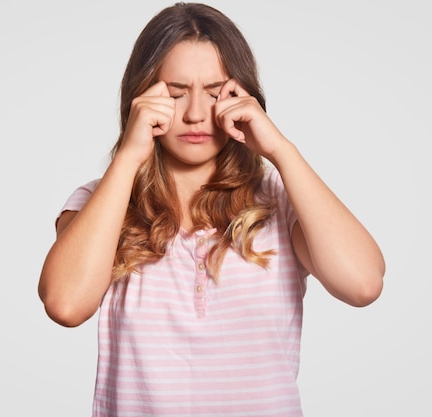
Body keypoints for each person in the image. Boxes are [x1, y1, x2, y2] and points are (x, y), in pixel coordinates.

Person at [38, 2, 385, 416]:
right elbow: (65, 304)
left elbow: (363, 285)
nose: (197, 114)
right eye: (176, 93)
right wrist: (128, 157)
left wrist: (281, 151)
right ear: (142, 96)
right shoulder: (102, 202)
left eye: (216, 92)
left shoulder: (280, 199)